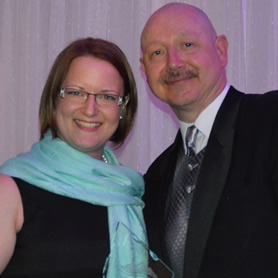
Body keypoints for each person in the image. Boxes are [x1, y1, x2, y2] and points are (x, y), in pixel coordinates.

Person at [140, 2, 278, 278]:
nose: (174, 63)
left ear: (221, 50)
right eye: (157, 52)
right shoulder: (155, 177)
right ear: (144, 70)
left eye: (187, 45)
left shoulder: (271, 120)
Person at [0, 37, 148, 277]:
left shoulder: (130, 195)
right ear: (55, 99)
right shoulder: (9, 191)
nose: (90, 109)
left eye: (107, 96)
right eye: (76, 93)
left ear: (123, 108)